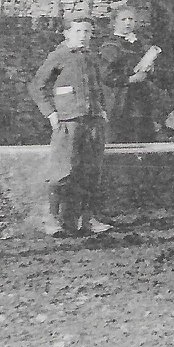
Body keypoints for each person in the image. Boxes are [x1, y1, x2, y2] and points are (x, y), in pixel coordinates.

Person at [29, 18, 112, 237]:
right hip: (68, 121)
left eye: (87, 31)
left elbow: (98, 87)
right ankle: (52, 219)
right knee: (63, 172)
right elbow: (37, 86)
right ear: (67, 34)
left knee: (91, 171)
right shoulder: (58, 56)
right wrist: (51, 113)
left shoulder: (91, 58)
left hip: (93, 120)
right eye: (78, 31)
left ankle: (87, 219)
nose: (83, 35)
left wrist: (101, 110)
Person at [100, 8, 156, 143]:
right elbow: (105, 75)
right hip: (120, 98)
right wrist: (129, 79)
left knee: (142, 132)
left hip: (140, 97)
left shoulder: (138, 43)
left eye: (131, 19)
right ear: (114, 22)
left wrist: (150, 68)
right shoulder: (110, 46)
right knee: (123, 135)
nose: (127, 23)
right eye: (123, 19)